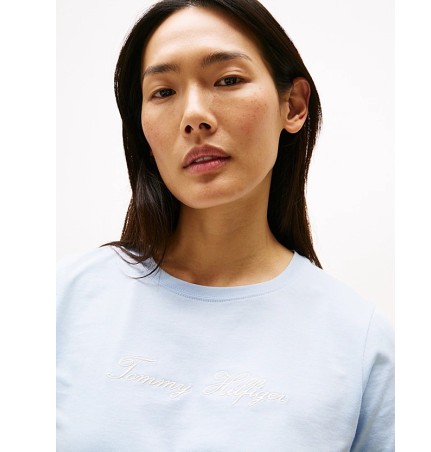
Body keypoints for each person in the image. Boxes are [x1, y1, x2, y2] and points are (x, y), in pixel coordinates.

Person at [56, 0, 394, 450]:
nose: (194, 116)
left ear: (293, 105)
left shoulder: (360, 343)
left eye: (228, 80)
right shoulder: (61, 303)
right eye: (163, 92)